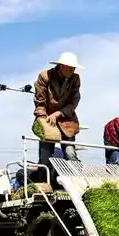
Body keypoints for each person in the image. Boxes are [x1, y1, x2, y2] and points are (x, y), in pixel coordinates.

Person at [33, 52, 82, 182]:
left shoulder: (75, 79)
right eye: (70, 68)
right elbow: (40, 102)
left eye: (74, 68)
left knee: (70, 154)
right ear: (61, 66)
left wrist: (59, 113)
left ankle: (77, 183)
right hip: (47, 119)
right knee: (45, 157)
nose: (72, 70)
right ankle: (43, 184)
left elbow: (73, 102)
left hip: (67, 119)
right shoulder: (45, 76)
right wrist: (43, 119)